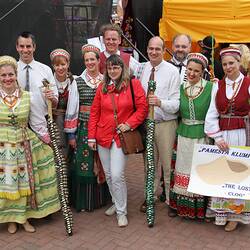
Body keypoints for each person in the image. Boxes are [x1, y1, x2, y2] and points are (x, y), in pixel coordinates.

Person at [0, 56, 60, 234]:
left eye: (10, 74)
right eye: (3, 75)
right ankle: (11, 219)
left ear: (15, 75)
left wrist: (47, 139)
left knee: (26, 182)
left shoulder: (28, 97)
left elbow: (36, 120)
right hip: (3, 148)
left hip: (24, 143)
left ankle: (24, 218)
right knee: (8, 184)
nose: (7, 78)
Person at [88, 54, 148, 227]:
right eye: (110, 68)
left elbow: (142, 108)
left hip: (120, 136)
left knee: (117, 174)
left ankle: (122, 211)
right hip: (102, 135)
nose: (113, 70)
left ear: (123, 68)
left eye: (116, 67)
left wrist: (129, 124)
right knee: (107, 174)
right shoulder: (102, 87)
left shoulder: (133, 85)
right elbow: (94, 113)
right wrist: (91, 136)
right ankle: (115, 202)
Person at [205, 47, 250, 231]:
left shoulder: (247, 83)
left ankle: (235, 215)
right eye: (224, 64)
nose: (228, 67)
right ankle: (220, 212)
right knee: (222, 174)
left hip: (241, 134)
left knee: (237, 174)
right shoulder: (218, 85)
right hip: (223, 135)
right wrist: (217, 137)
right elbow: (211, 113)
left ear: (239, 63)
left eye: (231, 63)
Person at [64, 44, 110, 212]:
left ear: (99, 61)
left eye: (92, 59)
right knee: (84, 163)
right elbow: (72, 107)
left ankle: (101, 200)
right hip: (84, 127)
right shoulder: (78, 82)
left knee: (103, 162)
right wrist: (71, 134)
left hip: (103, 127)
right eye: (86, 60)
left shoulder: (107, 80)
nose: (90, 62)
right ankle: (84, 202)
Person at [138, 36, 180, 212]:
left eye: (157, 49)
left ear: (164, 51)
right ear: (147, 49)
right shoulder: (143, 69)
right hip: (147, 124)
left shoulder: (172, 71)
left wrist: (160, 102)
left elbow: (177, 104)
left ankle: (171, 201)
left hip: (165, 125)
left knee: (168, 165)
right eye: (150, 48)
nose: (153, 52)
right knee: (150, 165)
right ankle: (151, 196)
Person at [168, 53, 212, 219]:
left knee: (199, 171)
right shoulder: (181, 88)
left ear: (202, 72)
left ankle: (200, 210)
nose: (192, 73)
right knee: (183, 169)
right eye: (189, 69)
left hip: (202, 135)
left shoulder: (210, 87)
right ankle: (180, 207)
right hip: (184, 134)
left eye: (196, 71)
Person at [16, 31, 58, 144]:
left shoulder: (45, 70)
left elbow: (55, 103)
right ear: (17, 47)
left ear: (34, 47)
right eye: (22, 46)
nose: (25, 50)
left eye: (28, 46)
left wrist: (52, 98)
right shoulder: (11, 71)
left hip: (41, 125)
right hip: (18, 126)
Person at [50, 48, 74, 158]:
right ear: (53, 66)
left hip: (71, 121)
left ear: (68, 64)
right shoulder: (48, 82)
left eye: (63, 64)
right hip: (54, 122)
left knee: (70, 152)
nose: (60, 68)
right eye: (57, 65)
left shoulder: (74, 82)